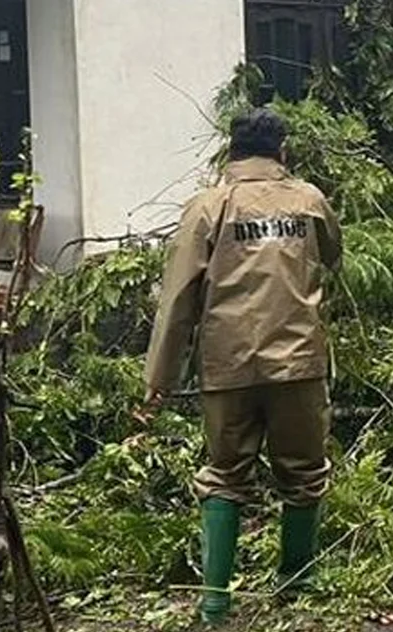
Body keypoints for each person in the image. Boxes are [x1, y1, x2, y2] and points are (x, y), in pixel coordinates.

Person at [142, 107, 343, 626]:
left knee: (225, 475)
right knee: (303, 473)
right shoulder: (310, 200)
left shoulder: (207, 207)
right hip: (298, 363)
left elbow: (178, 298)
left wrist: (159, 379)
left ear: (230, 152)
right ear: (283, 151)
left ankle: (214, 602)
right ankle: (297, 584)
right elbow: (332, 255)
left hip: (227, 364)